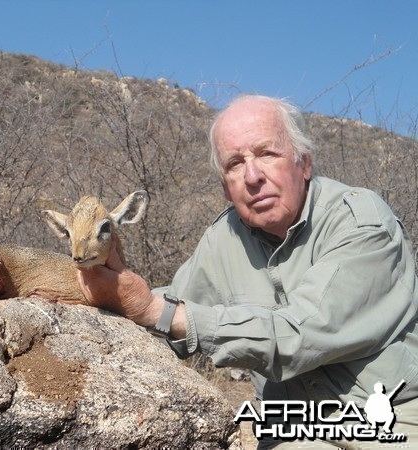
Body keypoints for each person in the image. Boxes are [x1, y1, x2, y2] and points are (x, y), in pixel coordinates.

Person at [77, 95, 418, 449]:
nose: (253, 177)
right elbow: (170, 309)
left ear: (304, 164)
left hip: (390, 421)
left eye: (267, 154)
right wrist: (102, 289)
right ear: (226, 187)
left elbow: (297, 336)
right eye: (235, 164)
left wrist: (153, 309)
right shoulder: (224, 237)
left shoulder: (361, 221)